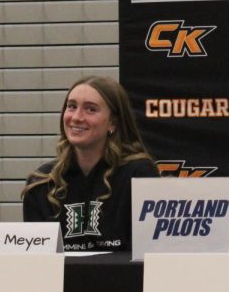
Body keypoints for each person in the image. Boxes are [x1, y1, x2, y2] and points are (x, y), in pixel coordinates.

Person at [23, 76, 157, 252]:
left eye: (90, 109)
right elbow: (36, 264)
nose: (77, 117)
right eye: (71, 106)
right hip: (62, 280)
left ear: (113, 122)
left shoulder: (139, 174)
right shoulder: (41, 182)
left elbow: (148, 256)